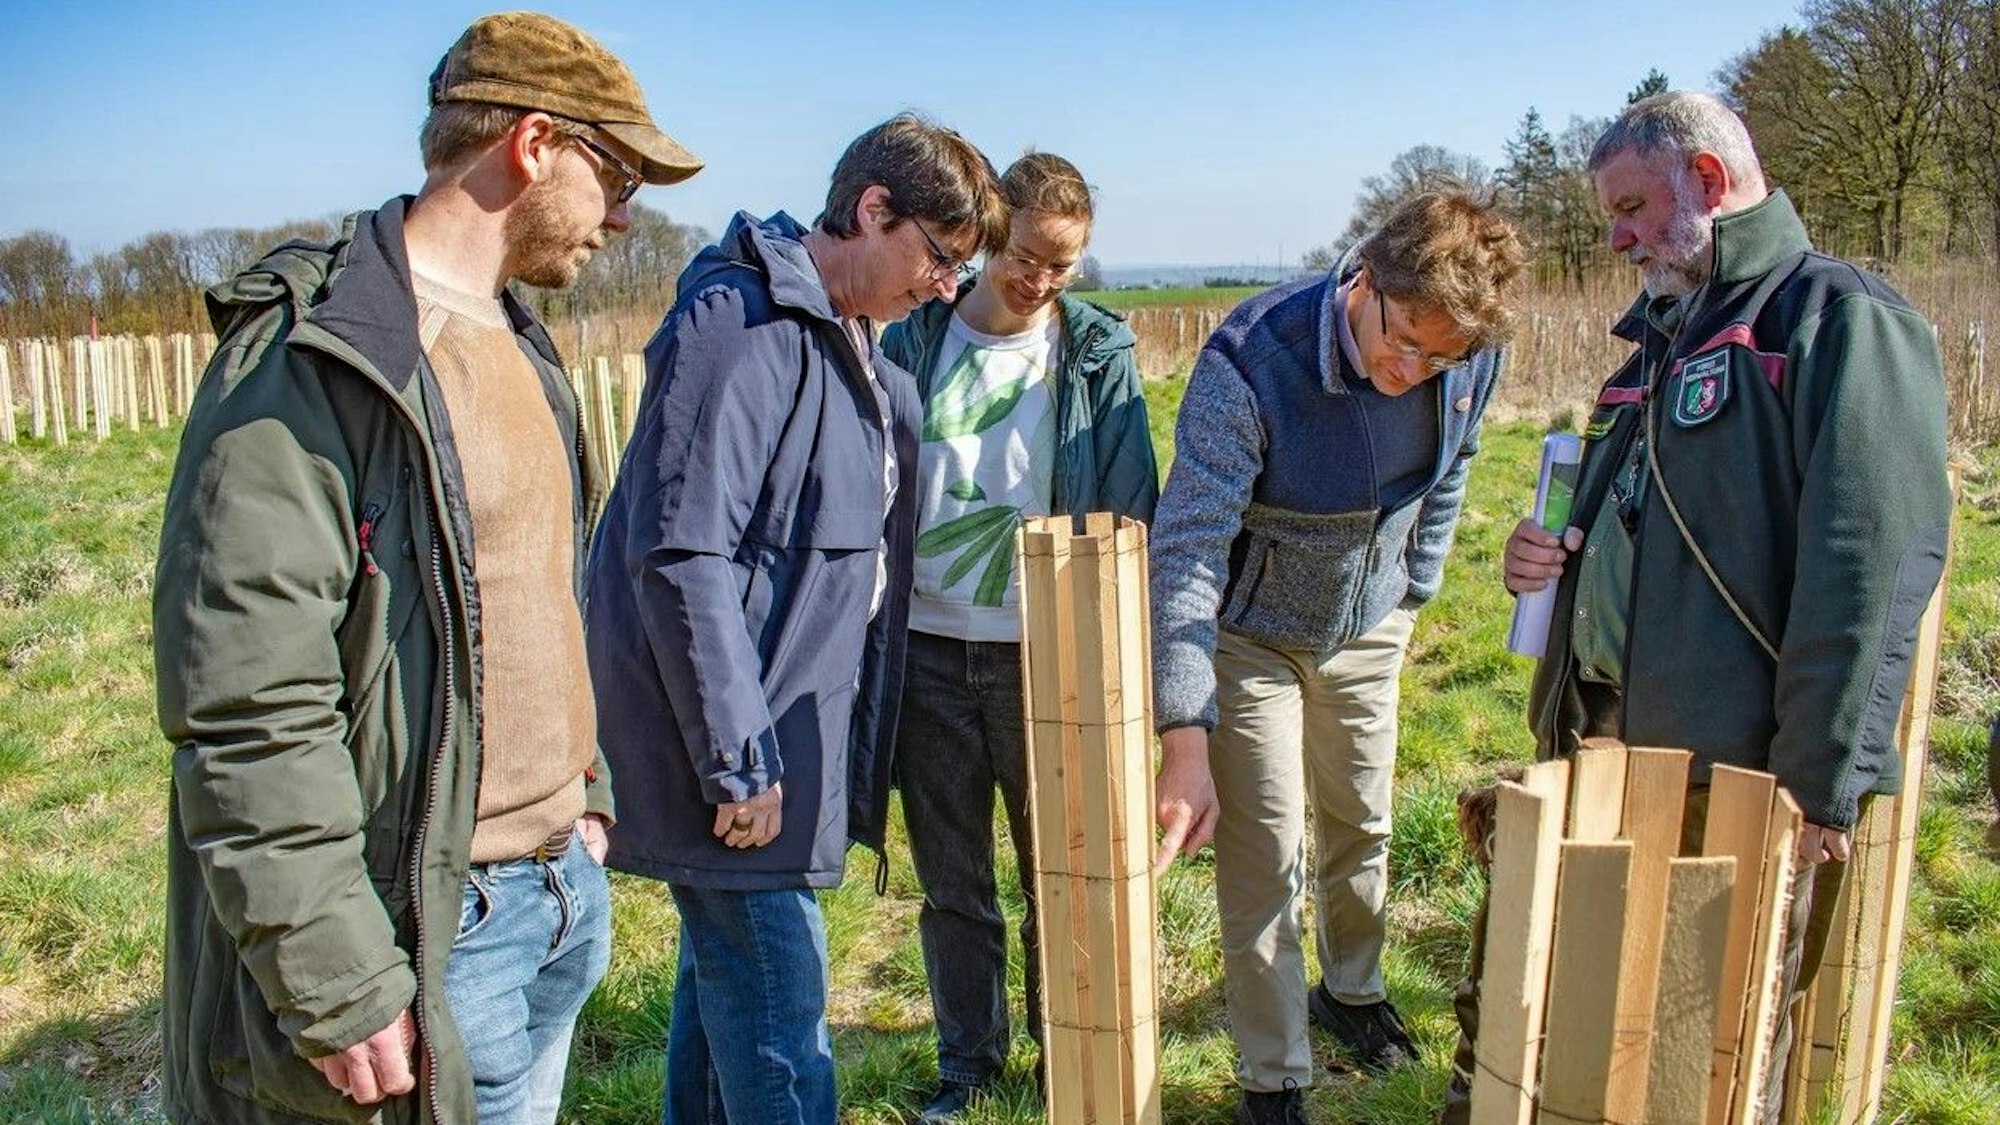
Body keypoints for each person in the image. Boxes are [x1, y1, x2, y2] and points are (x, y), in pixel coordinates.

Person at [152, 13, 701, 1125]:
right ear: (534, 143)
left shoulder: (521, 340)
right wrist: (335, 973)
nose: (628, 209)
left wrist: (583, 800)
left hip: (555, 891)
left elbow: (540, 601)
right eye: (619, 171)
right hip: (427, 923)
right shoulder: (314, 356)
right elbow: (248, 697)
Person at [1449, 90, 1952, 1125]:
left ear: (1709, 183)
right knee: (1560, 1042)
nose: (1615, 236)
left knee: (1691, 1066)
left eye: (1630, 207)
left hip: (1730, 784)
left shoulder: (1837, 322)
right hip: (1593, 756)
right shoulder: (1649, 354)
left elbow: (1867, 565)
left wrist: (1821, 784)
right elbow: (1629, 534)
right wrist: (1543, 561)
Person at [583, 113, 1006, 1125]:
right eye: (938, 258)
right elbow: (681, 552)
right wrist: (740, 757)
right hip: (738, 746)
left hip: (784, 737)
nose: (944, 288)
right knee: (783, 1024)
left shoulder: (855, 342)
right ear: (872, 210)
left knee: (727, 983)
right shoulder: (741, 326)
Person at [1148, 190, 1526, 1125]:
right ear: (1366, 279)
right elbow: (1190, 548)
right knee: (1264, 848)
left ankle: (1350, 989)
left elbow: (1455, 466)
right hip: (1250, 636)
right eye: (1404, 340)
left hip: (1371, 623)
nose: (1415, 369)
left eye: (1442, 357)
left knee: (1363, 818)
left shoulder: (1470, 356)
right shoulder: (1252, 359)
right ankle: (1273, 1078)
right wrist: (1183, 733)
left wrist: (1415, 589)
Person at [877, 151, 1159, 1121]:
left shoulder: (1093, 354)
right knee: (954, 885)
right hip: (923, 652)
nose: (1041, 279)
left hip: (1051, 659)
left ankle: (1062, 1063)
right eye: (1028, 255)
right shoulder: (910, 342)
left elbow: (1130, 510)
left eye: (1063, 265)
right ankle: (968, 1068)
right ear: (991, 230)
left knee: (1060, 877)